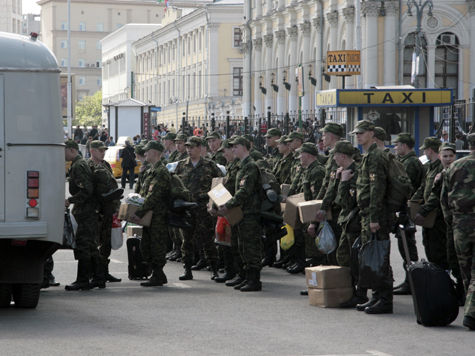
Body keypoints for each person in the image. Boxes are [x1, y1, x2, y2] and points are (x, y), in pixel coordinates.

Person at [351, 120, 393, 314]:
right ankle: (376, 296)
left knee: (379, 256)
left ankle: (385, 300)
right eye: (356, 134)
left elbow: (377, 189)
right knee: (372, 256)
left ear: (371, 133)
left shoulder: (375, 156)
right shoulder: (369, 155)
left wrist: (374, 218)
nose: (358, 136)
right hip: (367, 213)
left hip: (376, 215)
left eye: (361, 133)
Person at [175, 136, 222, 281]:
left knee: (207, 240)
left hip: (204, 208)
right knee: (186, 241)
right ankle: (187, 269)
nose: (189, 150)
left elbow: (219, 185)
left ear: (200, 148)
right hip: (187, 209)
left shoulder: (210, 165)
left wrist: (219, 206)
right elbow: (175, 186)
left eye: (192, 147)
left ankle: (214, 269)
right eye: (188, 147)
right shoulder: (181, 165)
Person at [220, 136, 263, 292]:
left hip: (250, 213)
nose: (233, 149)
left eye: (235, 146)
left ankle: (254, 280)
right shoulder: (240, 166)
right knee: (241, 245)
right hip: (241, 212)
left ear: (244, 147)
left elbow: (244, 191)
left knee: (250, 246)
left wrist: (228, 205)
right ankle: (244, 275)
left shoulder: (250, 166)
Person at [442, 133, 475, 330]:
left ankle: (470, 309)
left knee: (466, 270)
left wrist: (452, 222)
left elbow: (444, 200)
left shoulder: (454, 166)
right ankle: (471, 314)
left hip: (460, 225)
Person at [129, 141, 172, 287]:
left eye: (147, 151)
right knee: (146, 246)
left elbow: (154, 197)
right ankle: (156, 273)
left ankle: (158, 274)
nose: (145, 154)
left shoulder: (161, 172)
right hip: (149, 216)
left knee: (156, 246)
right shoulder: (150, 171)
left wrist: (139, 213)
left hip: (157, 216)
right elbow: (143, 194)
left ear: (155, 152)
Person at [64, 140, 102, 291]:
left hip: (86, 211)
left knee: (83, 245)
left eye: (64, 151)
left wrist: (70, 200)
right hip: (88, 210)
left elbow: (87, 190)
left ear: (72, 150)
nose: (63, 155)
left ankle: (83, 280)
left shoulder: (79, 165)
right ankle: (99, 278)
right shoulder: (79, 163)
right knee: (91, 245)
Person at [392, 133, 424, 295]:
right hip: (405, 209)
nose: (395, 148)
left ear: (404, 145)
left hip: (407, 209)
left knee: (407, 246)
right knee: (404, 245)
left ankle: (412, 282)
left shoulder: (410, 163)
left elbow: (406, 187)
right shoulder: (406, 161)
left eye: (397, 145)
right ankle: (409, 280)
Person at [88, 140, 122, 283]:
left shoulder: (106, 165)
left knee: (106, 242)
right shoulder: (88, 166)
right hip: (96, 211)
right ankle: (94, 273)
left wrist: (117, 207)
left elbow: (113, 185)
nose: (103, 153)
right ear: (92, 151)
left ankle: (104, 271)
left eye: (104, 151)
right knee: (94, 243)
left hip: (109, 210)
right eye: (100, 150)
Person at [413, 137, 448, 271]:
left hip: (437, 215)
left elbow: (436, 194)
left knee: (438, 249)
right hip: (430, 215)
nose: (424, 153)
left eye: (425, 150)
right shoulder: (430, 167)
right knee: (429, 246)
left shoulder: (440, 168)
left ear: (430, 150)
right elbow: (423, 187)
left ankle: (443, 281)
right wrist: (412, 201)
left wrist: (423, 211)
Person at [314, 123, 345, 265]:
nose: (322, 138)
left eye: (324, 135)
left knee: (337, 246)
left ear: (332, 136)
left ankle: (338, 281)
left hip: (338, 207)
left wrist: (322, 206)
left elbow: (332, 186)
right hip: (332, 205)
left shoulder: (339, 154)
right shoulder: (332, 154)